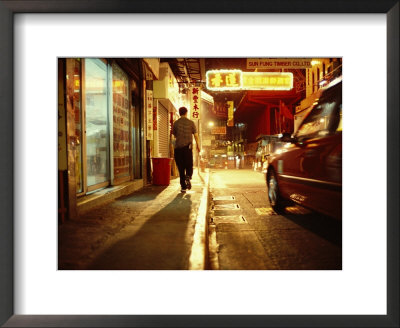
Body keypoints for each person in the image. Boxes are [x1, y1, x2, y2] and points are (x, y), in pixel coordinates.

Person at [172, 107, 200, 193]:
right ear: (186, 112)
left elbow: (174, 137)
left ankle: (183, 187)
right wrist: (198, 146)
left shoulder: (175, 123)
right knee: (189, 165)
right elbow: (195, 135)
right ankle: (188, 176)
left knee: (180, 168)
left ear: (179, 113)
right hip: (188, 148)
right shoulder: (191, 123)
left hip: (178, 148)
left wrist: (174, 146)